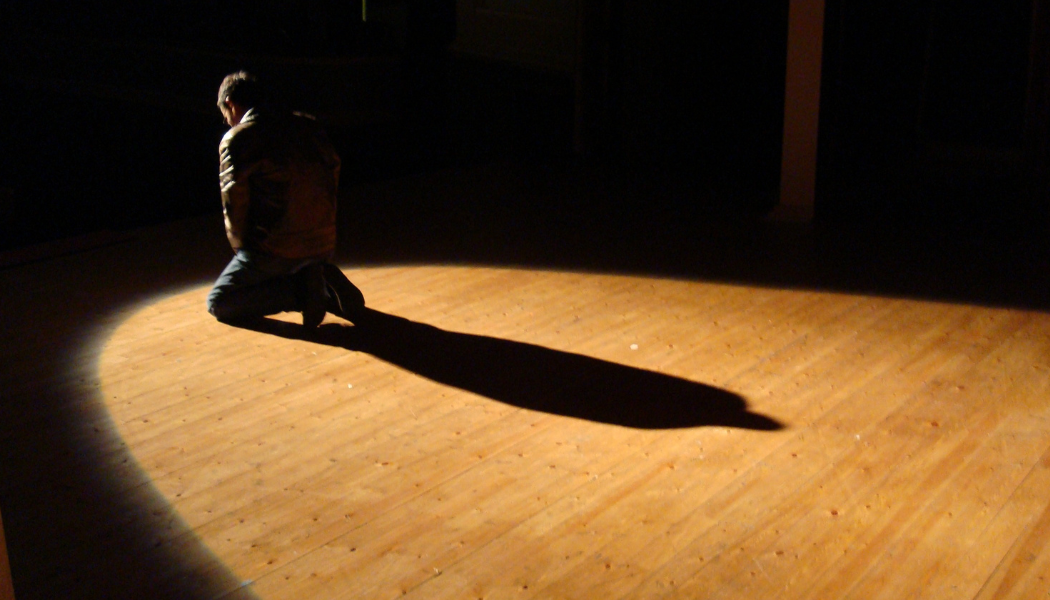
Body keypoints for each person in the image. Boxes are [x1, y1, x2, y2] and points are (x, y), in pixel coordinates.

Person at [206, 71, 365, 328]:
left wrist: (243, 252)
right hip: (323, 241)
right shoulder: (309, 126)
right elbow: (331, 176)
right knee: (291, 263)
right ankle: (318, 272)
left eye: (226, 115)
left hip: (275, 247)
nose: (228, 122)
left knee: (219, 301)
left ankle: (301, 291)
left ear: (231, 104)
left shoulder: (238, 139)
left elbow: (234, 205)